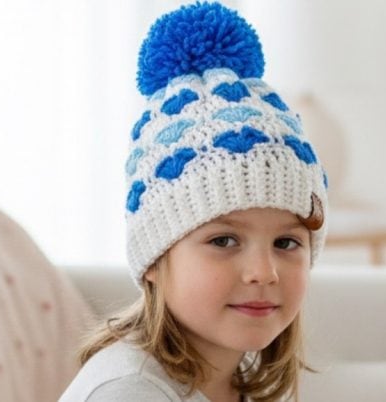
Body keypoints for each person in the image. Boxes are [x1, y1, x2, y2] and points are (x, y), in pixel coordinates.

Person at [59, 2, 329, 401]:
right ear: (154, 258)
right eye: (223, 240)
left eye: (286, 242)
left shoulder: (238, 368)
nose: (263, 272)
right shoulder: (129, 392)